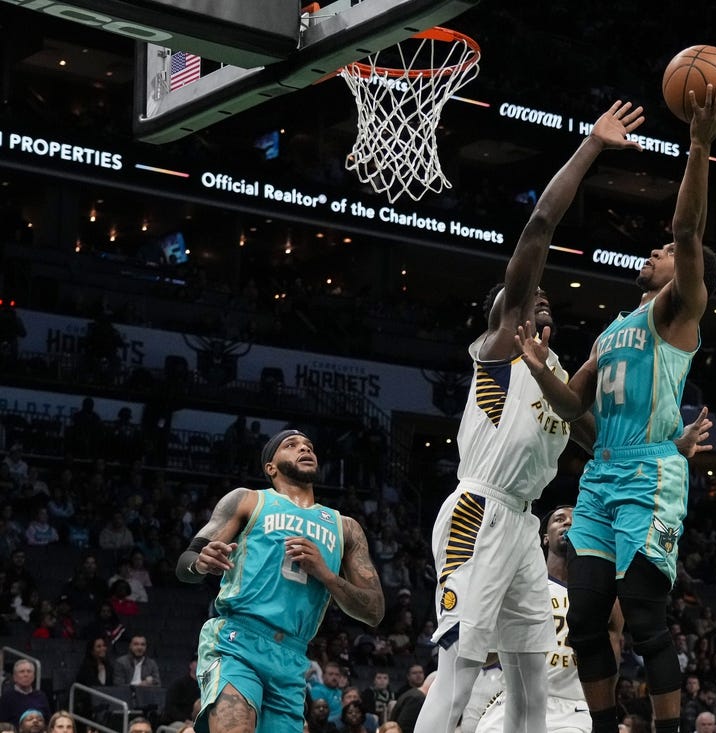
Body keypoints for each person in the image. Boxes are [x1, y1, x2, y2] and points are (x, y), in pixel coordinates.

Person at [413, 99, 646, 733]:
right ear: (507, 314)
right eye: (528, 296)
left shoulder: (554, 371)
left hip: (522, 524)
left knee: (530, 684)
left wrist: (667, 447)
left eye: (544, 298)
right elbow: (540, 224)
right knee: (459, 669)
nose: (539, 299)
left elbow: (598, 439)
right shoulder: (499, 350)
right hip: (478, 511)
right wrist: (592, 146)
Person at [515, 84, 716, 733]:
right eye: (659, 251)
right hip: (600, 478)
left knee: (641, 616)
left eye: (663, 254)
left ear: (688, 274)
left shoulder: (676, 313)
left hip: (648, 476)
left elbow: (686, 227)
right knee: (584, 617)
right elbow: (569, 401)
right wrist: (538, 367)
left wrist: (698, 145)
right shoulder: (614, 330)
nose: (654, 251)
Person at [175, 429, 385, 733]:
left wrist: (326, 574)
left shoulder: (346, 528)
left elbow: (375, 610)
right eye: (291, 445)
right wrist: (200, 562)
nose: (304, 448)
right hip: (238, 640)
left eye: (309, 445)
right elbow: (185, 563)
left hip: (292, 657)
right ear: (270, 467)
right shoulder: (248, 500)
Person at [475, 505, 625, 733]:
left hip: (573, 710)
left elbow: (612, 660)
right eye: (559, 519)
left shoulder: (603, 594)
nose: (568, 523)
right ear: (545, 537)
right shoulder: (523, 584)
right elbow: (487, 655)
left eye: (576, 520)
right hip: (515, 701)